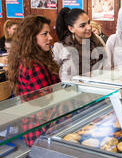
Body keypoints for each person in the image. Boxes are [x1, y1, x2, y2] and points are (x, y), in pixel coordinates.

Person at [8, 15, 61, 147]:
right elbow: (48, 102)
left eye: (49, 33)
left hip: (44, 126)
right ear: (31, 38)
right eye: (45, 34)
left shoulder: (37, 59)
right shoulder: (33, 66)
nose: (50, 38)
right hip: (42, 130)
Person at [53, 8, 107, 81]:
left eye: (88, 22)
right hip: (71, 90)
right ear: (71, 29)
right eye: (82, 25)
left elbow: (106, 63)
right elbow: (54, 73)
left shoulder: (97, 40)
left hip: (97, 88)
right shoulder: (61, 46)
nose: (89, 27)